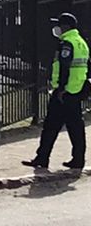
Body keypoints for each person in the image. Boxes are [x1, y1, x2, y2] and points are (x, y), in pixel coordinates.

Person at [25, 12, 88, 172]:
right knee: (76, 127)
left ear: (66, 26)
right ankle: (78, 159)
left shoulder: (67, 43)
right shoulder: (81, 42)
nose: (57, 28)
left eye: (59, 25)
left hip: (64, 93)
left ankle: (42, 158)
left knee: (51, 126)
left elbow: (65, 67)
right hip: (76, 90)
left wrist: (60, 88)